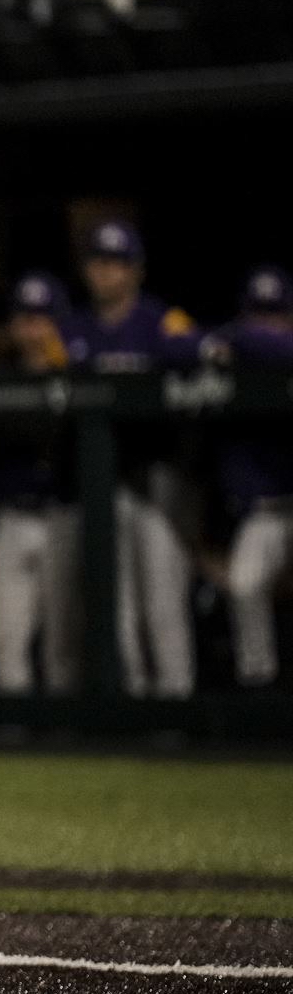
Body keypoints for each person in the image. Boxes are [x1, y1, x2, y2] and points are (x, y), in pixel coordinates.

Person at [67, 219, 201, 698]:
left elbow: (199, 355)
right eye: (98, 262)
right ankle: (131, 703)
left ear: (135, 270)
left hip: (158, 479)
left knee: (162, 600)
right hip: (102, 484)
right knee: (114, 603)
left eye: (116, 263)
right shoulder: (74, 328)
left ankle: (175, 701)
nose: (106, 273)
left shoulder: (160, 321)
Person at [0, 273, 83, 695]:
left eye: (43, 318)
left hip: (62, 512)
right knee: (4, 635)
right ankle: (15, 727)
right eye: (25, 318)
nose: (33, 329)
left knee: (63, 638)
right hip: (13, 513)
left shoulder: (79, 376)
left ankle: (67, 730)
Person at [204, 266, 293, 686]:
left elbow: (270, 347)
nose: (266, 325)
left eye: (275, 315)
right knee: (243, 584)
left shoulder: (249, 347)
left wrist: (244, 340)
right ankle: (259, 682)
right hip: (267, 510)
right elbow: (188, 347)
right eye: (258, 315)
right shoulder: (238, 366)